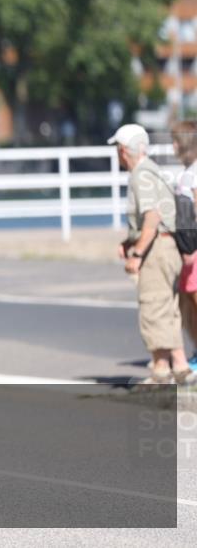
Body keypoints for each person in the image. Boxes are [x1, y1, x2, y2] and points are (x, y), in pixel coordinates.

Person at [110, 124, 195, 385]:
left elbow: (152, 217)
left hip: (157, 249)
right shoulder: (154, 172)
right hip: (167, 246)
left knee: (154, 308)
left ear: (124, 151)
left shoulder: (141, 175)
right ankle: (176, 367)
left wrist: (136, 253)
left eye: (117, 150)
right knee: (167, 309)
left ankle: (164, 370)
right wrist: (130, 241)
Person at [172, 120, 197, 372]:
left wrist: (192, 248)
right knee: (187, 300)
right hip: (187, 248)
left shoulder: (194, 173)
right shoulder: (185, 173)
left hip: (194, 248)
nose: (173, 146)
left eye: (176, 141)